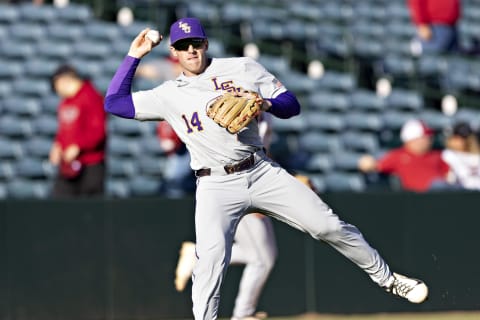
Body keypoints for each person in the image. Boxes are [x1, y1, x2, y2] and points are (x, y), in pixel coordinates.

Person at [104, 17, 429, 320]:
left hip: (259, 170)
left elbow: (292, 105)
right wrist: (135, 55)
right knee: (210, 264)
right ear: (173, 52)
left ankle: (388, 279)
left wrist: (266, 103)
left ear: (205, 44)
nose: (192, 50)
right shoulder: (168, 94)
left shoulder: (242, 67)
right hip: (215, 184)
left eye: (197, 43)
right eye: (184, 46)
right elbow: (114, 102)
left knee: (327, 226)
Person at [174, 112, 277, 320]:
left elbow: (263, 153)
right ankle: (242, 314)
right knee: (261, 260)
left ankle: (197, 255)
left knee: (266, 256)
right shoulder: (236, 113)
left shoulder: (262, 115)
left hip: (254, 183)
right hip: (238, 186)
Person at [49, 64, 106, 197]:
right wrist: (58, 145)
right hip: (68, 166)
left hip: (90, 164)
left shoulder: (91, 97)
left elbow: (98, 132)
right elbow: (64, 130)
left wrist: (78, 145)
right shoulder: (66, 102)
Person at [358, 119, 450, 192]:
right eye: (424, 137)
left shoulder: (437, 155)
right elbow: (375, 166)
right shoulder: (398, 156)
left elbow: (449, 174)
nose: (428, 140)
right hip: (416, 199)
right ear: (413, 139)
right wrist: (367, 163)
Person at [442, 121, 480, 190]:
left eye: (465, 138)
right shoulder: (447, 155)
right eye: (457, 137)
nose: (461, 141)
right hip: (459, 194)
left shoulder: (477, 156)